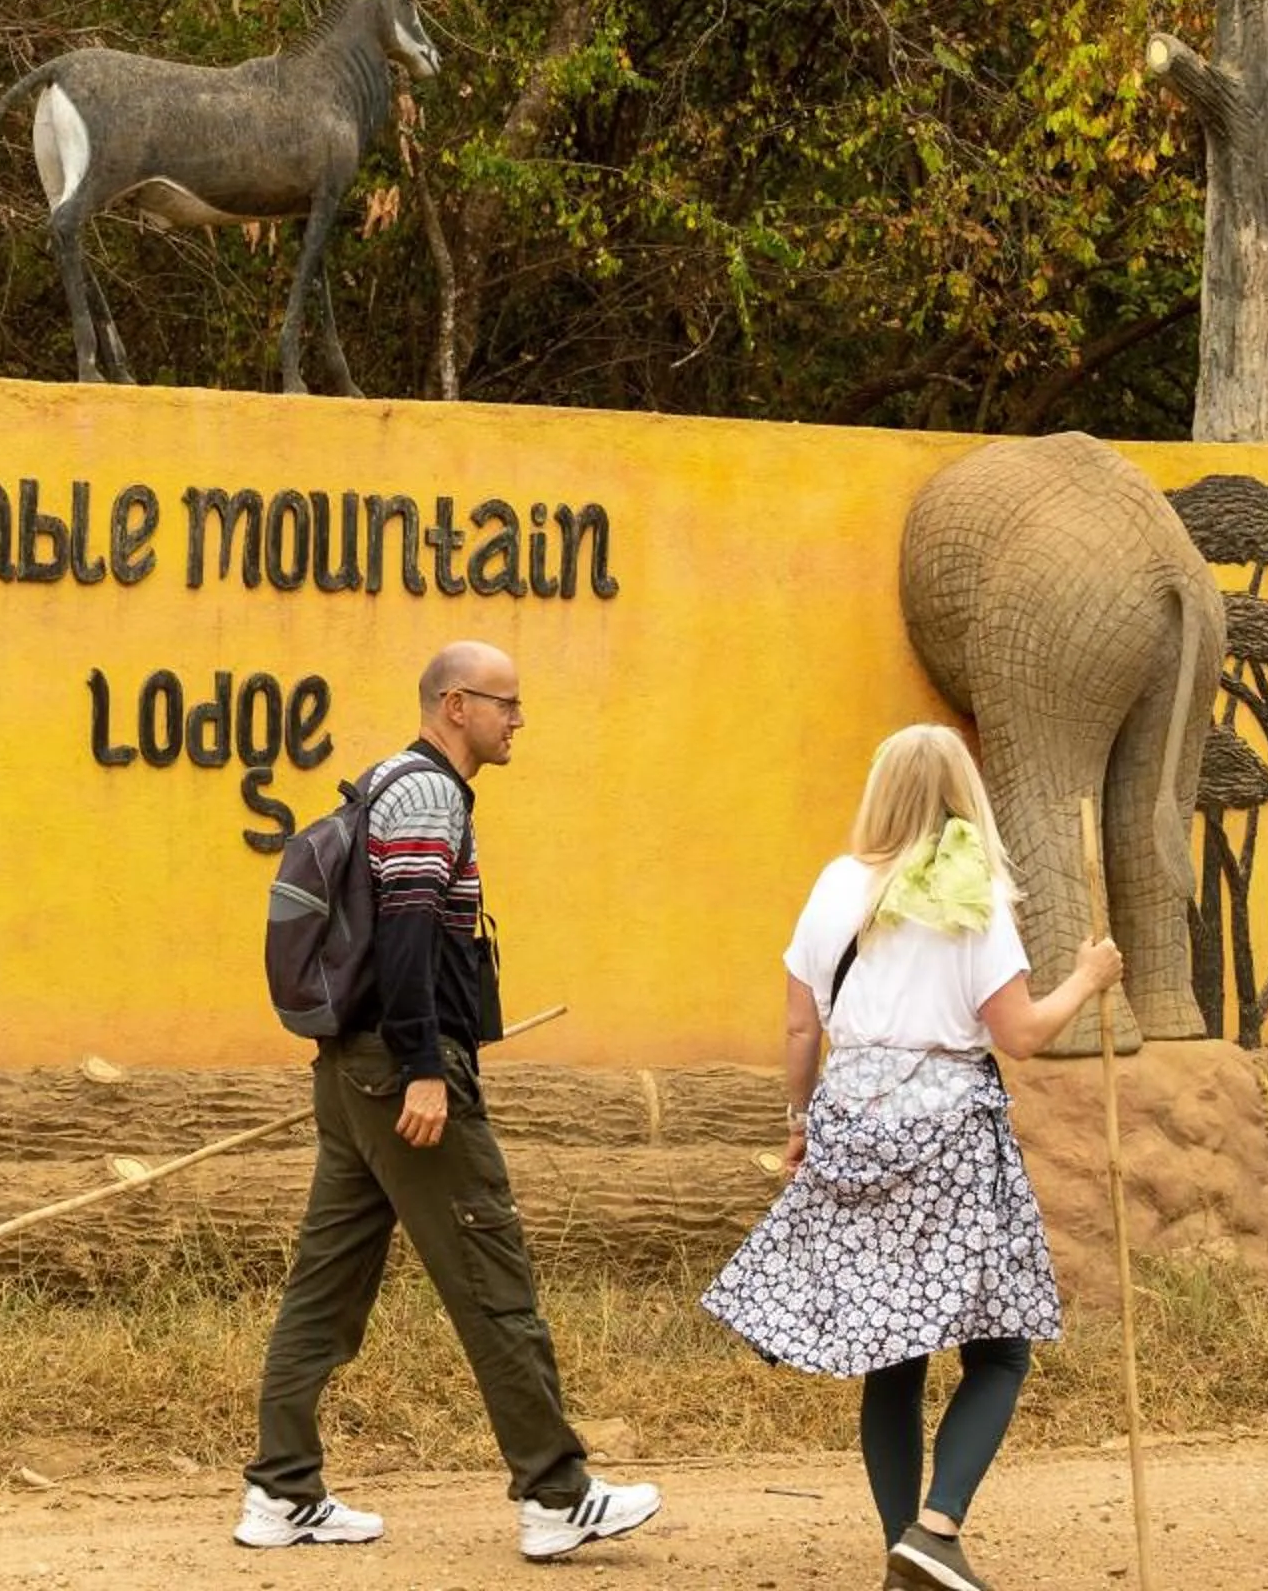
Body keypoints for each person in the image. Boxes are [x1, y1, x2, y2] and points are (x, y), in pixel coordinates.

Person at [237, 640, 663, 1562]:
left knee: (326, 1283)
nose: (519, 721)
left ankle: (280, 1490)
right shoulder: (429, 794)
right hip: (401, 1076)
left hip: (349, 1073)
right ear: (456, 704)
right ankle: (555, 1494)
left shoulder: (385, 783)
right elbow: (408, 939)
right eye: (507, 703)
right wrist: (425, 1067)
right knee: (489, 1271)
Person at [701, 723, 1122, 1591]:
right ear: (964, 795)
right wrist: (1088, 978)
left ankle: (907, 1551)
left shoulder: (834, 884)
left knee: (894, 1351)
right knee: (998, 1348)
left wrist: (799, 1119)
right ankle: (935, 1531)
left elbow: (799, 1025)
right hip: (948, 1131)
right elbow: (1021, 1035)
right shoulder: (973, 894)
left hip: (849, 1117)